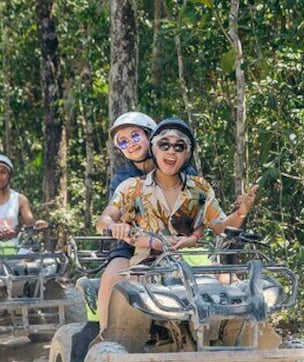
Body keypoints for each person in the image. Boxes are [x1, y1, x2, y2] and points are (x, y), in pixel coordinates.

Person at [94, 117, 257, 330]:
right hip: (142, 252)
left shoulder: (198, 186)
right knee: (118, 284)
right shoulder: (128, 185)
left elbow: (217, 224)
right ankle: (107, 336)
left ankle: (240, 343)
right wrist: (116, 226)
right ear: (155, 147)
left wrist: (241, 212)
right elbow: (105, 219)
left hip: (191, 254)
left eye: (179, 147)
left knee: (236, 288)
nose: (171, 152)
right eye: (164, 145)